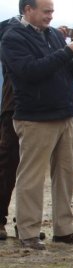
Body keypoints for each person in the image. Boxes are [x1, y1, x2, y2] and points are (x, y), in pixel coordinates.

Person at [0, 0, 73, 250]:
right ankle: (28, 232)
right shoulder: (12, 37)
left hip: (64, 115)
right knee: (31, 177)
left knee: (65, 176)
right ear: (28, 10)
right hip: (34, 118)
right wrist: (67, 52)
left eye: (52, 11)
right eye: (46, 11)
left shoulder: (52, 35)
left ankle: (64, 230)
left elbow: (66, 73)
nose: (51, 16)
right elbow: (29, 71)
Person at [0, 15, 21, 241]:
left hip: (38, 110)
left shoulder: (45, 35)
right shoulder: (12, 30)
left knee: (28, 171)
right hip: (12, 108)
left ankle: (25, 222)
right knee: (7, 165)